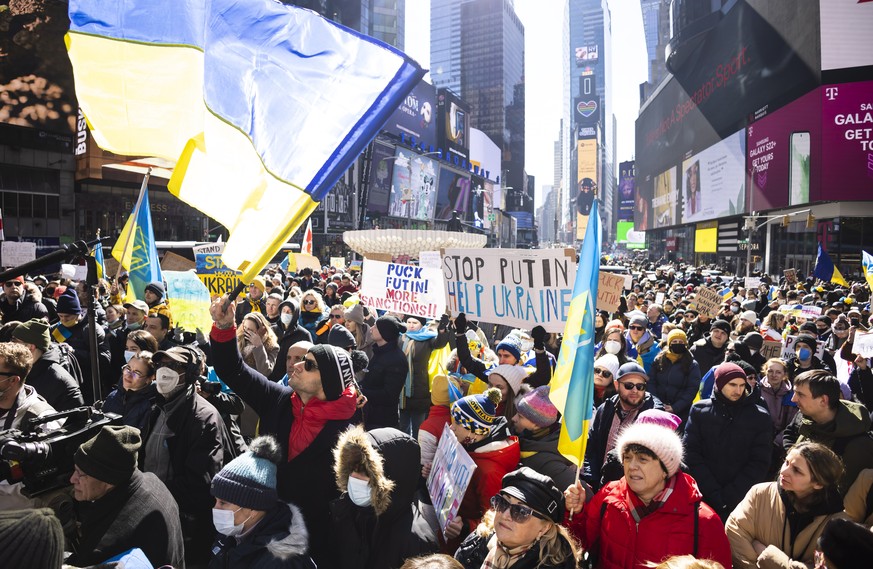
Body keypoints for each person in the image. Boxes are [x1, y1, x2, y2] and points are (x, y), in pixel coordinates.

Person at [209, 294, 358, 567]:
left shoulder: (350, 430)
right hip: (264, 535)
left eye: (309, 364)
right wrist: (223, 327)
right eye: (296, 359)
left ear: (330, 382)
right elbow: (232, 369)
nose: (296, 365)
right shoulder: (278, 399)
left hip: (318, 542)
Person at [566, 421, 732, 569]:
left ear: (665, 470)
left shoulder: (703, 521)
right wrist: (576, 513)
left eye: (642, 459)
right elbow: (580, 545)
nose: (632, 466)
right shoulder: (608, 496)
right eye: (627, 458)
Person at [144, 345, 229, 566]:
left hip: (186, 527)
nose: (164, 371)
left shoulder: (203, 418)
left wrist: (152, 495)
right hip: (154, 514)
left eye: (173, 366)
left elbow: (201, 485)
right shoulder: (156, 408)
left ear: (190, 374)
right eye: (161, 365)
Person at [67, 425, 184, 568]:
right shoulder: (152, 481)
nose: (72, 479)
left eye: (80, 474)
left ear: (107, 480)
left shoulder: (106, 542)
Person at [725, 442, 848, 569]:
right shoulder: (760, 494)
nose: (783, 471)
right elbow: (735, 532)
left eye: (796, 470)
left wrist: (767, 554)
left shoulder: (836, 525)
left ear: (818, 484)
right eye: (786, 462)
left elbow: (822, 566)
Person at [331, 425, 438, 568]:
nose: (354, 477)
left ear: (391, 478)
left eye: (365, 472)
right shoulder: (348, 511)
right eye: (352, 469)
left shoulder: (416, 543)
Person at [683, 362, 773, 521]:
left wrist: (731, 495)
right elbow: (691, 453)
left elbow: (759, 461)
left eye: (742, 385)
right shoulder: (699, 411)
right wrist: (712, 492)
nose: (738, 390)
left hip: (741, 500)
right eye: (732, 385)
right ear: (719, 383)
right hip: (703, 498)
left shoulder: (760, 416)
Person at [209, 435, 316, 568]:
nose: (216, 508)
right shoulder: (231, 534)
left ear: (252, 509)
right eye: (216, 501)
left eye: (223, 503)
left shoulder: (281, 560)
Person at [454, 467, 580, 569]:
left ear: (544, 528)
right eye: (503, 503)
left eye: (520, 511)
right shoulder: (478, 540)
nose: (505, 515)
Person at [445, 388, 520, 547]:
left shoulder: (489, 471)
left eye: (457, 422)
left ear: (473, 429)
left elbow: (495, 518)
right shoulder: (470, 444)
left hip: (467, 543)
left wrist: (465, 526)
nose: (451, 427)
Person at [783, 369, 873, 494]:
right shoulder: (805, 417)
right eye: (794, 392)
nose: (793, 399)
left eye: (800, 394)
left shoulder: (857, 444)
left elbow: (840, 494)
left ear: (823, 400)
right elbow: (789, 435)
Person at [584, 362, 664, 490]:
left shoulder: (653, 416)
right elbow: (591, 447)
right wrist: (592, 480)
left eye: (640, 386)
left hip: (632, 491)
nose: (635, 390)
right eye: (629, 385)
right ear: (616, 385)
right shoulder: (605, 409)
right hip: (600, 486)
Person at [511, 386, 577, 491]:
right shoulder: (527, 439)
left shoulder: (549, 463)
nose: (513, 418)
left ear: (537, 425)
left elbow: (583, 495)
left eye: (520, 416)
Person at [11, 318, 83, 412]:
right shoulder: (17, 368)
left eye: (14, 341)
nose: (10, 345)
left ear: (30, 347)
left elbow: (73, 419)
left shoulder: (59, 381)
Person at [400, 314, 450, 437]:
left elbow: (440, 343)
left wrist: (442, 330)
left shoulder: (428, 338)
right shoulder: (401, 338)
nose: (411, 325)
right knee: (402, 427)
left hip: (420, 389)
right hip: (402, 391)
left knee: (418, 427)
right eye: (409, 322)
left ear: (422, 324)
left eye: (415, 322)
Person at [362, 315, 409, 430]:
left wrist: (362, 392)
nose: (371, 329)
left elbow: (389, 395)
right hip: (370, 417)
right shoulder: (379, 352)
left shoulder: (396, 359)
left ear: (385, 333)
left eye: (376, 327)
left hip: (382, 423)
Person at [648, 329, 701, 422]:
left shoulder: (692, 364)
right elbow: (651, 382)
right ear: (669, 343)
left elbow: (691, 389)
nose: (677, 344)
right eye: (674, 341)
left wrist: (675, 407)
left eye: (681, 342)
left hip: (681, 412)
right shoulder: (659, 360)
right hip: (657, 409)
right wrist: (658, 404)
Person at [101, 351, 157, 433]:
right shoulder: (113, 396)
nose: (129, 375)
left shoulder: (151, 406)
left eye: (137, 373)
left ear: (149, 379)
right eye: (128, 368)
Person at [270, 298, 313, 382]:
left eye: (289, 312)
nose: (286, 314)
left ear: (295, 314)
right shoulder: (272, 330)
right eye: (284, 311)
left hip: (292, 377)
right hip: (271, 375)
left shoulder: (303, 334)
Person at [758, 358, 798, 448]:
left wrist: (777, 442)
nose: (774, 375)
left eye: (778, 372)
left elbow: (792, 423)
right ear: (765, 371)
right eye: (770, 371)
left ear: (784, 374)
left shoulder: (791, 395)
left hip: (779, 444)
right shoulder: (757, 391)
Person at [236, 311, 280, 376]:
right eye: (245, 328)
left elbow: (265, 372)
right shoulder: (238, 339)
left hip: (253, 383)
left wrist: (259, 346)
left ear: (263, 330)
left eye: (251, 330)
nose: (246, 332)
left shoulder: (272, 347)